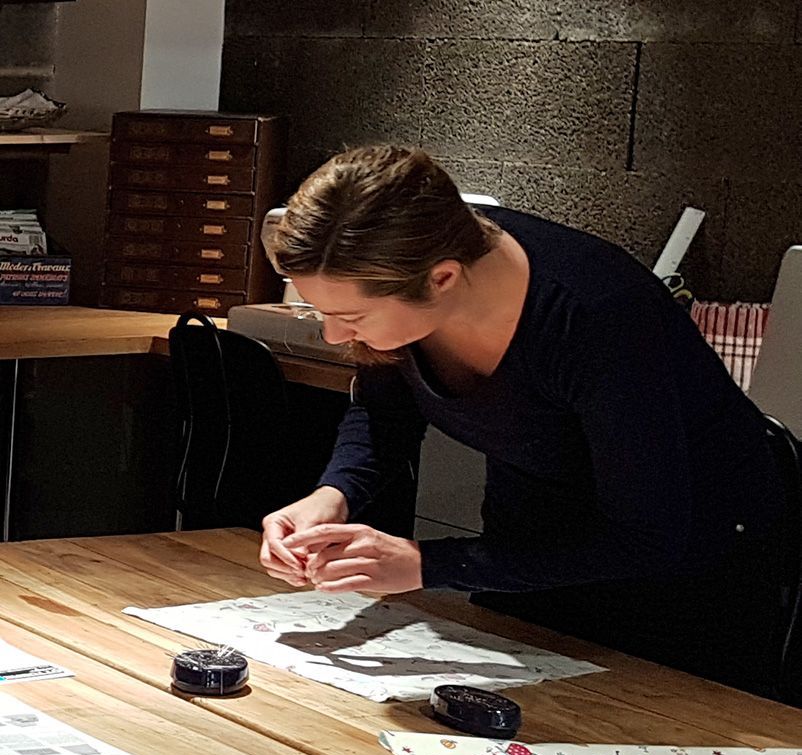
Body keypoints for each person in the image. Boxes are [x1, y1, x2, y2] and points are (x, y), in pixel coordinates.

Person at [259, 144, 787, 695]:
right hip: (528, 556)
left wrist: (425, 564)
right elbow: (383, 412)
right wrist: (333, 493)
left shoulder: (597, 317)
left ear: (442, 278)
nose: (334, 336)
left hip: (685, 585)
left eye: (350, 316)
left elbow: (647, 537)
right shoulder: (416, 268)